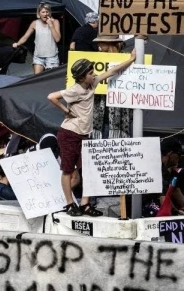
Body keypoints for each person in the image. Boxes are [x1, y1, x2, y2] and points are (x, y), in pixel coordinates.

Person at [47, 50, 136, 217]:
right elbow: (51, 96)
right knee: (67, 170)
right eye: (89, 72)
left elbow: (111, 71)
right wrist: (66, 110)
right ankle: (69, 204)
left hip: (83, 134)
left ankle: (85, 204)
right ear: (81, 77)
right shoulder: (74, 90)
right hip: (70, 133)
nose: (93, 74)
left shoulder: (92, 83)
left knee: (89, 170)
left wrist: (131, 59)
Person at [91, 34, 132, 139]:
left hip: (120, 107)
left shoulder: (126, 58)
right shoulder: (96, 58)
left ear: (108, 44)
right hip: (101, 107)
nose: (98, 45)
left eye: (101, 42)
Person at [143, 138, 184, 217]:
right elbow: (164, 200)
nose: (180, 158)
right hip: (142, 213)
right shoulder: (156, 169)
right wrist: (177, 213)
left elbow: (177, 193)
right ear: (170, 153)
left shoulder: (168, 172)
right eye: (179, 154)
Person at [12, 2, 61, 74]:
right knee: (37, 78)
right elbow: (26, 36)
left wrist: (51, 25)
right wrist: (17, 43)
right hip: (38, 57)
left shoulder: (55, 22)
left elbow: (57, 39)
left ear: (50, 12)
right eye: (43, 12)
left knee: (51, 80)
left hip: (52, 57)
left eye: (47, 12)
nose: (45, 14)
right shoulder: (35, 23)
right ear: (39, 13)